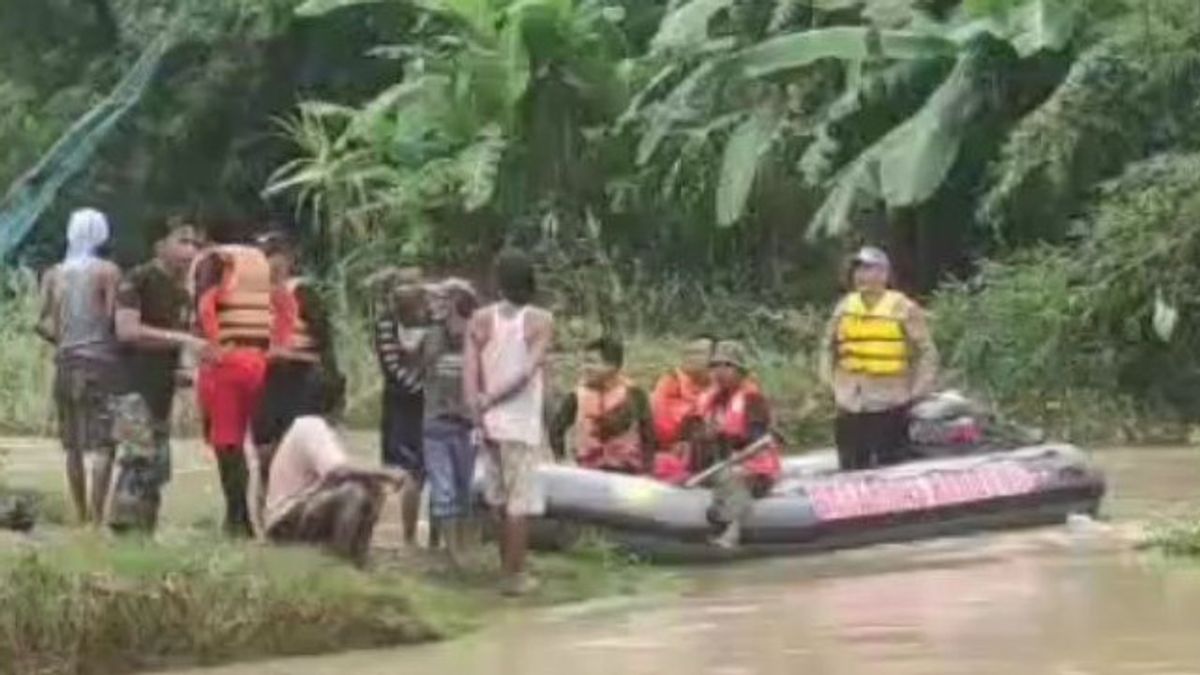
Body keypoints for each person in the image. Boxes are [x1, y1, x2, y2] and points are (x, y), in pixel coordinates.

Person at [464, 249, 554, 596]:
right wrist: (493, 400)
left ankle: (505, 570)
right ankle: (515, 577)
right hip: (518, 422)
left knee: (498, 500)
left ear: (497, 282)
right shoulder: (540, 320)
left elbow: (470, 373)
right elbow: (527, 371)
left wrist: (478, 409)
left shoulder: (479, 319)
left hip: (488, 423)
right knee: (520, 503)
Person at [115, 219, 209, 510]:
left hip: (162, 389)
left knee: (158, 467)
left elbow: (172, 342)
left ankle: (145, 536)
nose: (191, 250)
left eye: (195, 244)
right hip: (134, 387)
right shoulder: (138, 279)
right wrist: (183, 339)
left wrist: (184, 368)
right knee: (137, 463)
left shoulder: (182, 291)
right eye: (183, 241)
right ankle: (125, 534)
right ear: (160, 246)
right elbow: (127, 331)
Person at [37, 208, 122, 525]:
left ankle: (81, 514)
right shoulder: (108, 272)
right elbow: (113, 318)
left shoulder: (53, 274)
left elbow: (40, 322)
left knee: (73, 445)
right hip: (100, 363)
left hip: (65, 364)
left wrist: (62, 340)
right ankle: (98, 518)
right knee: (103, 443)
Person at [819, 246, 938, 471]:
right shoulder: (845, 307)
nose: (861, 276)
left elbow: (926, 351)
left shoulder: (903, 307)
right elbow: (827, 346)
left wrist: (919, 389)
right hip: (850, 399)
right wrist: (829, 381)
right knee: (851, 463)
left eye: (868, 269)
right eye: (858, 270)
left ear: (884, 274)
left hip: (889, 397)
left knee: (891, 464)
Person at [264, 379, 407, 566]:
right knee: (353, 493)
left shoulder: (307, 425)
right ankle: (340, 560)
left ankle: (357, 560)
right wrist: (385, 473)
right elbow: (338, 470)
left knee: (368, 487)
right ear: (338, 405)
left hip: (297, 513)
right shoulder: (312, 426)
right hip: (285, 520)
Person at [193, 240, 273, 536]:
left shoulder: (215, 260)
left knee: (227, 445)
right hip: (261, 360)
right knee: (262, 444)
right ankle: (259, 517)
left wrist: (212, 345)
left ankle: (237, 519)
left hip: (228, 364)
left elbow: (205, 305)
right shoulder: (260, 263)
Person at [693, 340, 782, 549]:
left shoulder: (753, 399)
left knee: (732, 477)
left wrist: (722, 436)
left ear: (740, 370)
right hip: (720, 463)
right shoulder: (712, 400)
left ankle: (732, 532)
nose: (720, 372)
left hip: (754, 468)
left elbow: (755, 439)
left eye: (727, 365)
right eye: (715, 366)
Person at [420, 278, 480, 563]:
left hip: (466, 423)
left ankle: (457, 549)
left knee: (464, 490)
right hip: (438, 421)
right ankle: (453, 552)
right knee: (445, 490)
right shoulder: (433, 335)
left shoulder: (477, 336)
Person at [373, 267, 430, 546]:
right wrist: (425, 388)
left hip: (416, 400)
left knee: (420, 471)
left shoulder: (431, 318)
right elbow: (391, 366)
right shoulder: (388, 320)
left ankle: (418, 538)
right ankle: (407, 536)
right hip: (405, 402)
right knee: (406, 472)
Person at [549, 336, 655, 474]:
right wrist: (561, 459)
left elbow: (648, 435)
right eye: (584, 362)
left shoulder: (634, 394)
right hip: (588, 471)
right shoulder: (576, 395)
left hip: (627, 471)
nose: (585, 368)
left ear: (613, 366)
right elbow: (556, 429)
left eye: (592, 362)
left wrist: (647, 470)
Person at [650, 336, 713, 483]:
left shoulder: (730, 387)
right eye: (687, 353)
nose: (689, 357)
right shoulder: (670, 381)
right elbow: (661, 427)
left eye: (697, 353)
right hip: (671, 453)